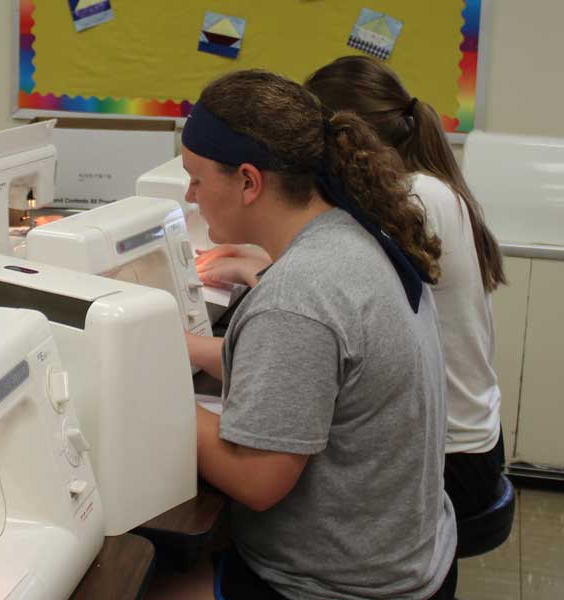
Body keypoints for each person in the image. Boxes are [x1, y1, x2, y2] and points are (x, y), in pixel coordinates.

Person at [199, 55, 510, 524]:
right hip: (460, 435)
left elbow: (319, 305)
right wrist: (260, 265)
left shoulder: (417, 202)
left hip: (453, 454)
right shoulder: (426, 192)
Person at [182, 69, 456, 600]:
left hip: (338, 588)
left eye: (196, 178)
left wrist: (154, 391)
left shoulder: (298, 295)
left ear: (248, 181)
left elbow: (257, 482)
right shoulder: (351, 234)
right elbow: (309, 374)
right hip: (414, 561)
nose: (190, 195)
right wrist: (183, 348)